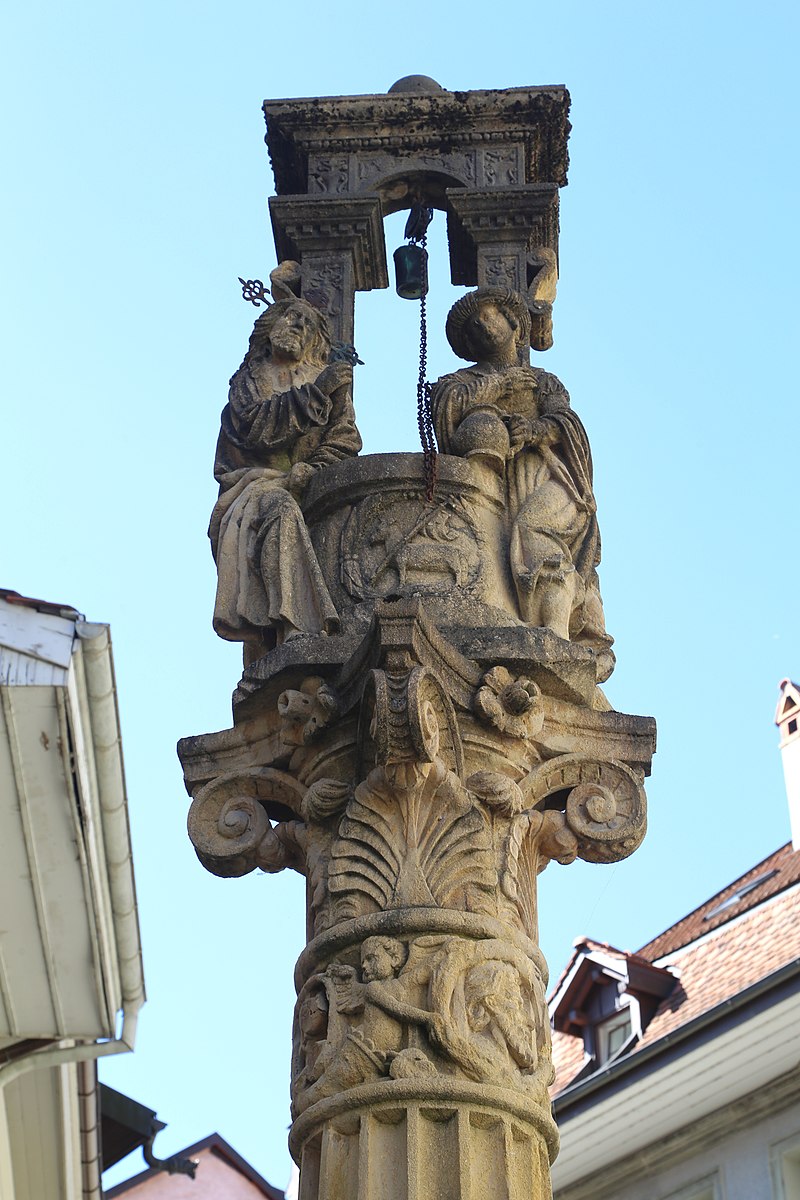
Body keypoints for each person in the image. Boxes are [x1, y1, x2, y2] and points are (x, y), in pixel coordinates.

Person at [430, 287, 613, 679]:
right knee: (518, 546)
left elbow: (568, 423)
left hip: (547, 473)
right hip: (495, 482)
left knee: (535, 530)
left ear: (514, 323)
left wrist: (532, 430)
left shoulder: (543, 381)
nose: (479, 326)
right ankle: (541, 624)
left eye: (487, 316)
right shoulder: (458, 380)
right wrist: (497, 386)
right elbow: (446, 410)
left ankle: (555, 630)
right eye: (471, 326)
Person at [209, 297, 361, 660]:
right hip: (254, 487)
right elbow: (253, 428)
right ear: (268, 328)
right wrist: (316, 393)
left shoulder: (325, 379)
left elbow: (345, 438)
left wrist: (314, 468)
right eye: (290, 317)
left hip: (314, 483)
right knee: (281, 511)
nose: (296, 326)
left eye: (306, 324)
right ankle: (298, 631)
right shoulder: (250, 379)